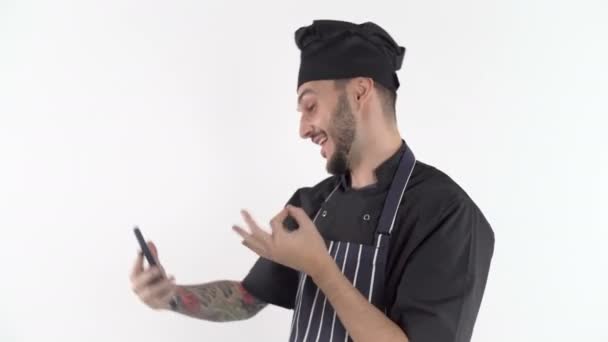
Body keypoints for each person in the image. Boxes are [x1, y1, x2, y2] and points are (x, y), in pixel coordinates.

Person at [130, 19, 495, 342]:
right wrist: (171, 297)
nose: (303, 128)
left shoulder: (446, 214)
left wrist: (321, 268)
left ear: (359, 92)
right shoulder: (314, 204)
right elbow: (246, 300)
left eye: (310, 106)